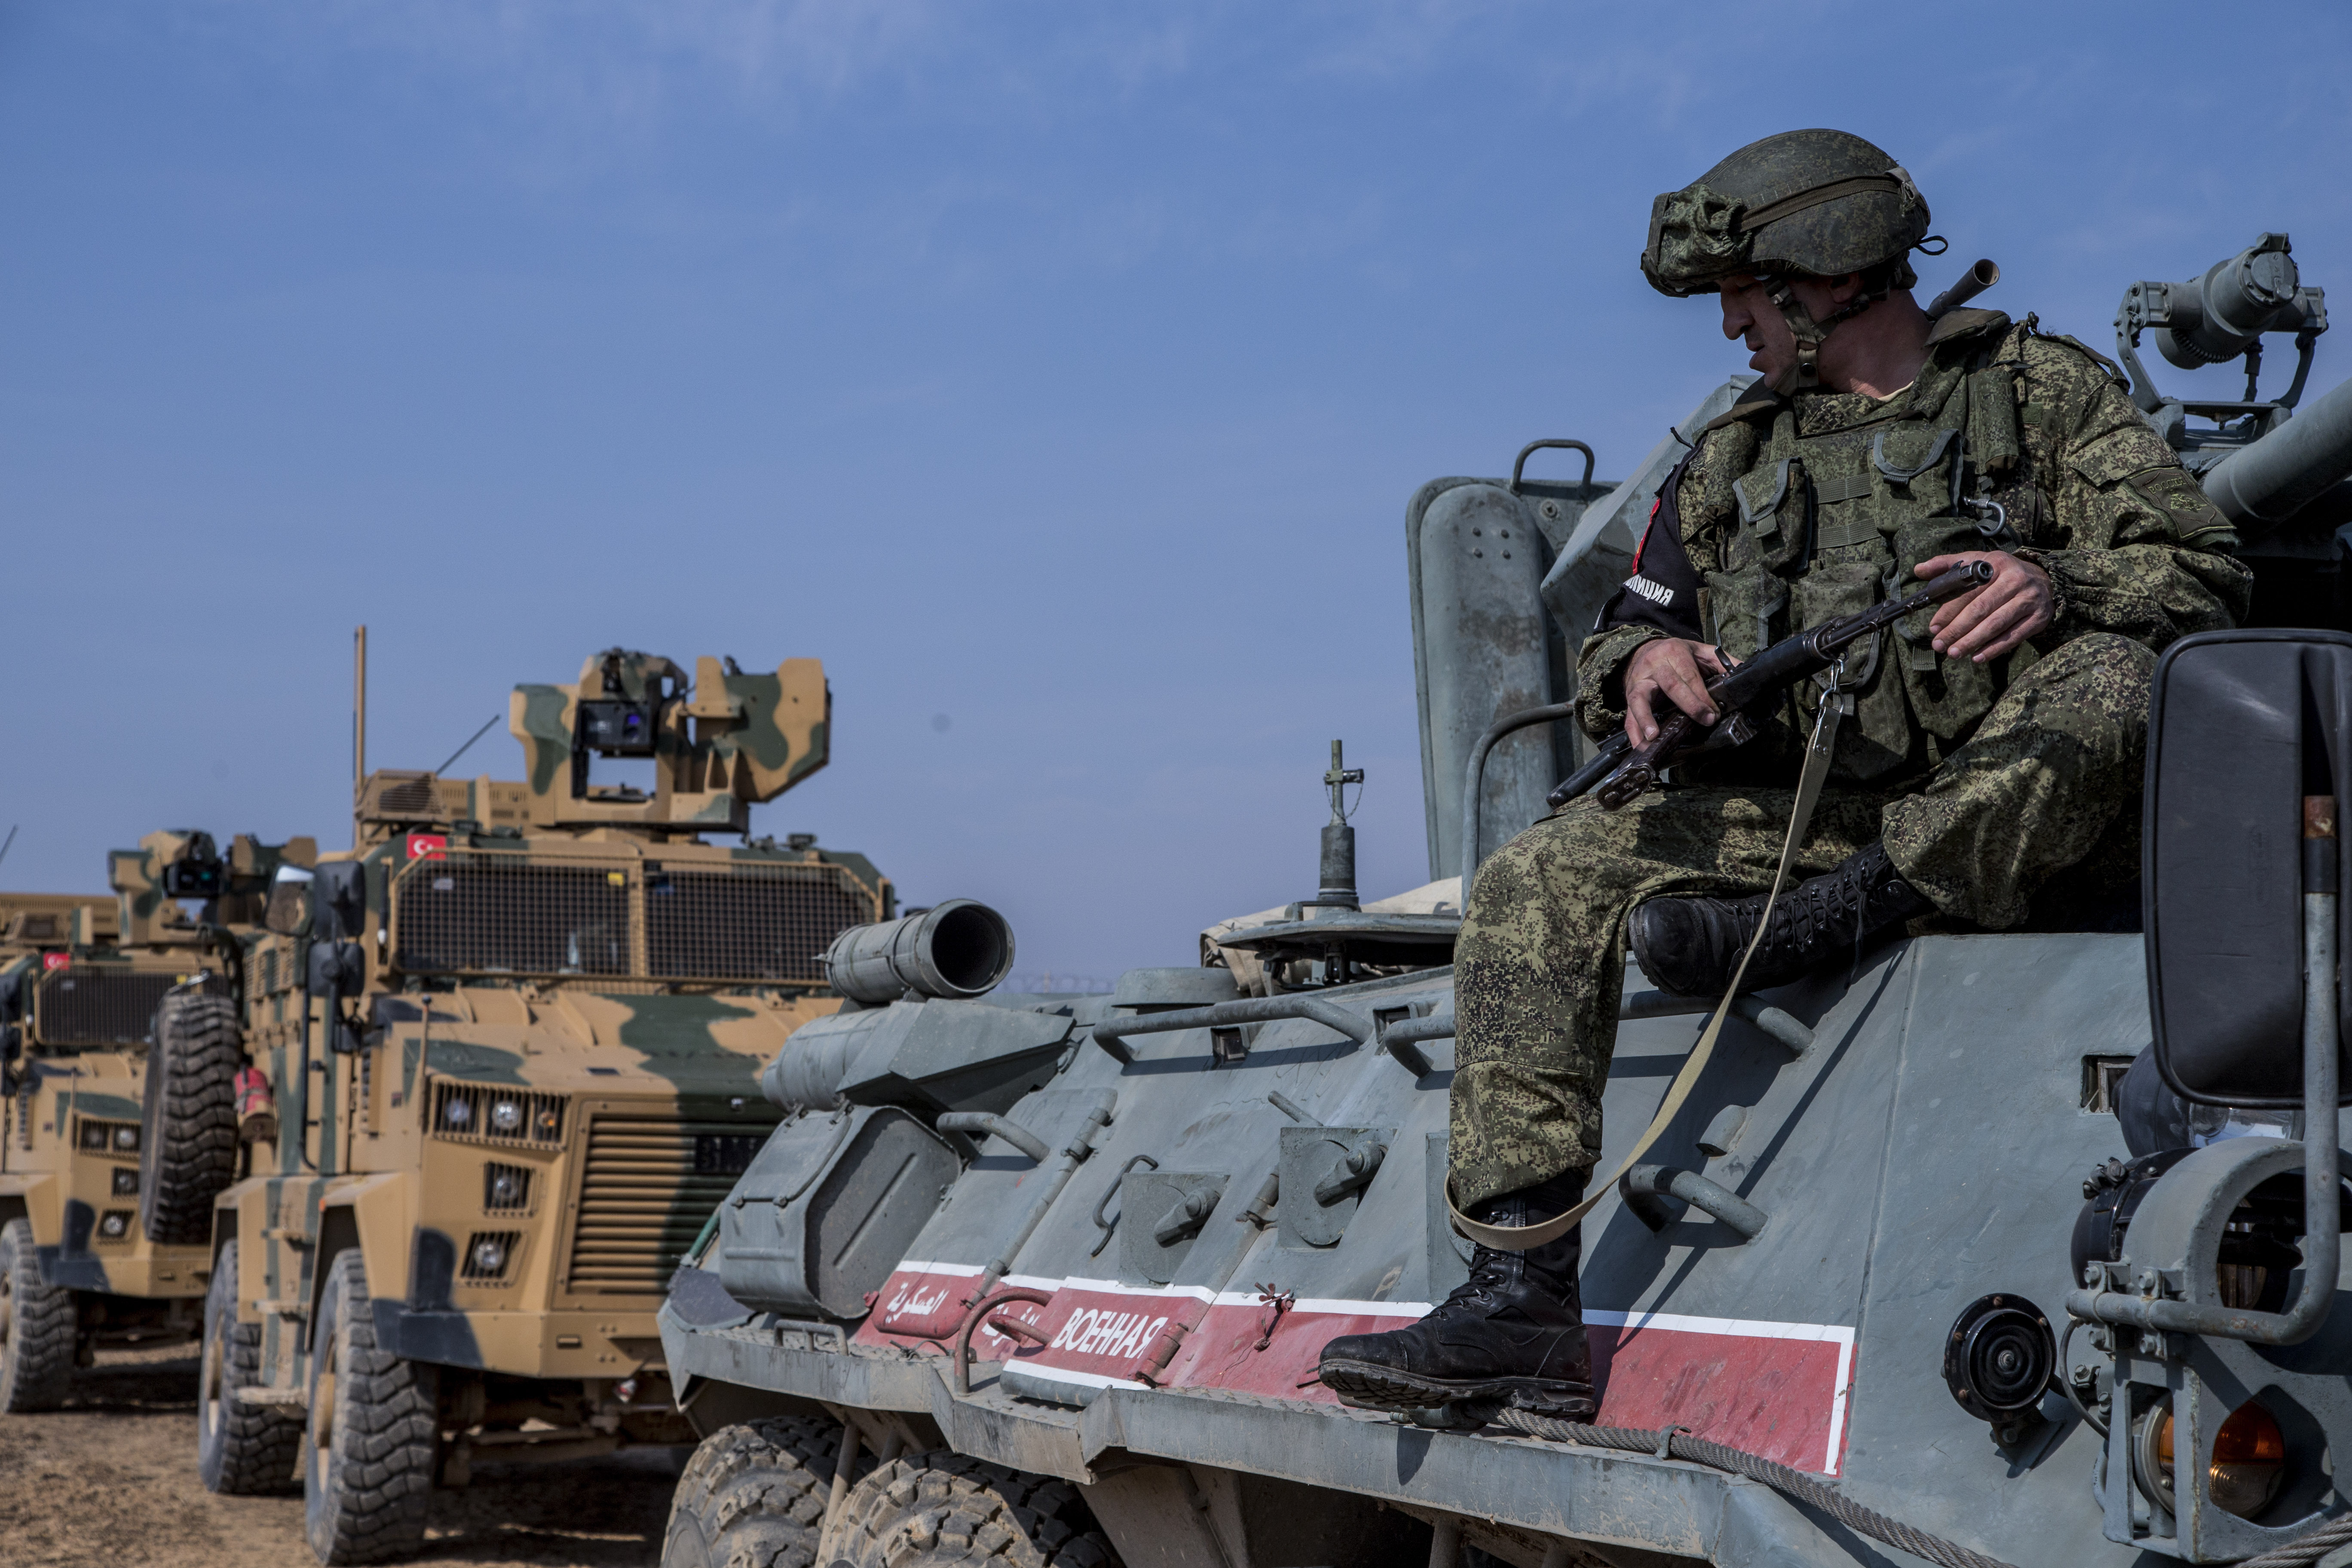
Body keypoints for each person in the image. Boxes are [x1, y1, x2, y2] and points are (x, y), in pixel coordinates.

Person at [1317, 128, 2252, 1420]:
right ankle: (1518, 1300)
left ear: (1825, 277)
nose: (1729, 333)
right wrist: (1644, 663)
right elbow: (1625, 625)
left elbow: (2200, 568)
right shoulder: (1734, 456)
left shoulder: (2038, 395)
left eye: (1742, 301)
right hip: (1813, 816)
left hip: (2025, 807)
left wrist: (2055, 581)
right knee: (1539, 876)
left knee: (2118, 679)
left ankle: (1865, 908)